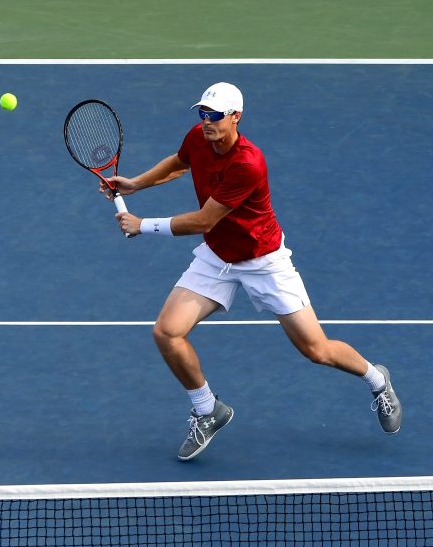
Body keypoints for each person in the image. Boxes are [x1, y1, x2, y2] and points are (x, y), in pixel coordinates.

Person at [104, 82, 401, 461]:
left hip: (264, 261)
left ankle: (378, 380)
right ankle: (208, 409)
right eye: (202, 113)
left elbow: (204, 220)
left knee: (317, 350)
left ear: (235, 117)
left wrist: (142, 224)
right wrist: (135, 183)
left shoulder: (248, 163)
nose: (206, 122)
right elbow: (180, 162)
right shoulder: (198, 136)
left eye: (214, 116)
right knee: (166, 333)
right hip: (217, 258)